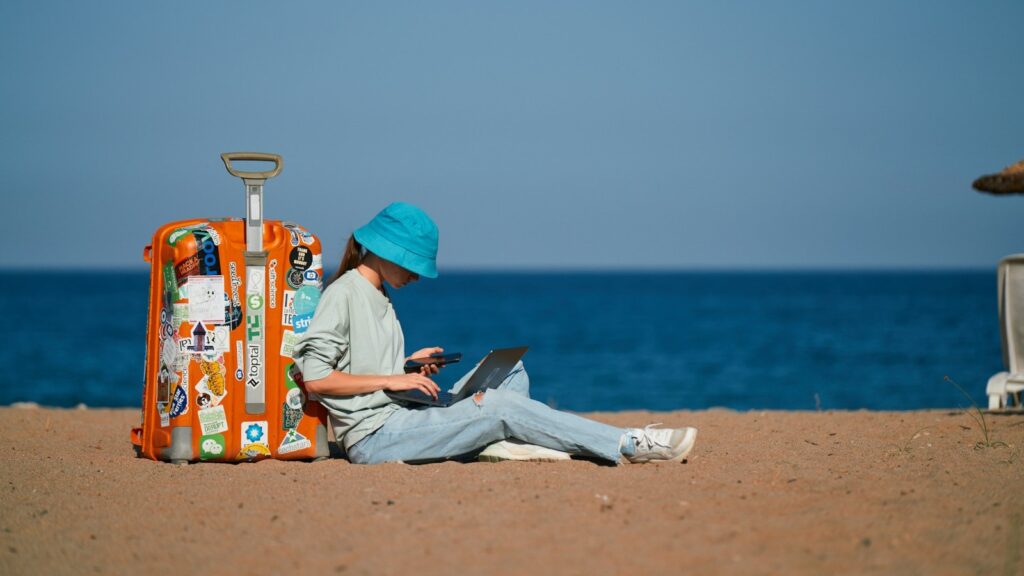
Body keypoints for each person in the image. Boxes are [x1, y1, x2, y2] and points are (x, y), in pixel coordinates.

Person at [293, 202, 698, 464]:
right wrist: (393, 378)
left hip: (402, 413)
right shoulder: (344, 293)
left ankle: (492, 444)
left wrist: (408, 365)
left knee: (510, 371)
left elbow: (359, 363)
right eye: (412, 264)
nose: (416, 275)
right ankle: (629, 443)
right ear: (384, 252)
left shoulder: (377, 293)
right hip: (376, 437)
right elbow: (317, 378)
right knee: (500, 408)